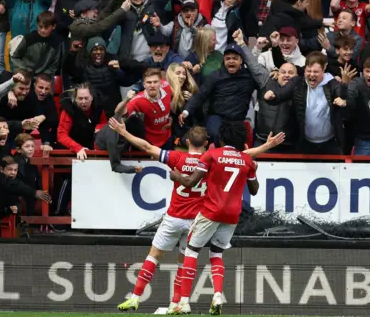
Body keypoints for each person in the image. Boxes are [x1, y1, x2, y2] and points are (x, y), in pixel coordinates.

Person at [112, 121, 283, 314]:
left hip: (174, 217)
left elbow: (146, 147)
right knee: (184, 262)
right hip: (195, 220)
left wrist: (123, 132)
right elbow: (243, 156)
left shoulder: (177, 157)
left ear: (186, 140)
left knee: (154, 255)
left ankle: (135, 298)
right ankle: (176, 303)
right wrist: (267, 146)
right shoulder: (212, 157)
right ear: (207, 141)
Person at [169, 121, 259, 315]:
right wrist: (254, 170)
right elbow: (254, 190)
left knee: (191, 251)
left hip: (211, 210)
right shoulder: (247, 160)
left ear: (222, 138)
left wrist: (176, 176)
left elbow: (191, 183)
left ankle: (183, 302)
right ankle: (217, 294)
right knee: (216, 254)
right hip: (232, 215)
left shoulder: (212, 155)